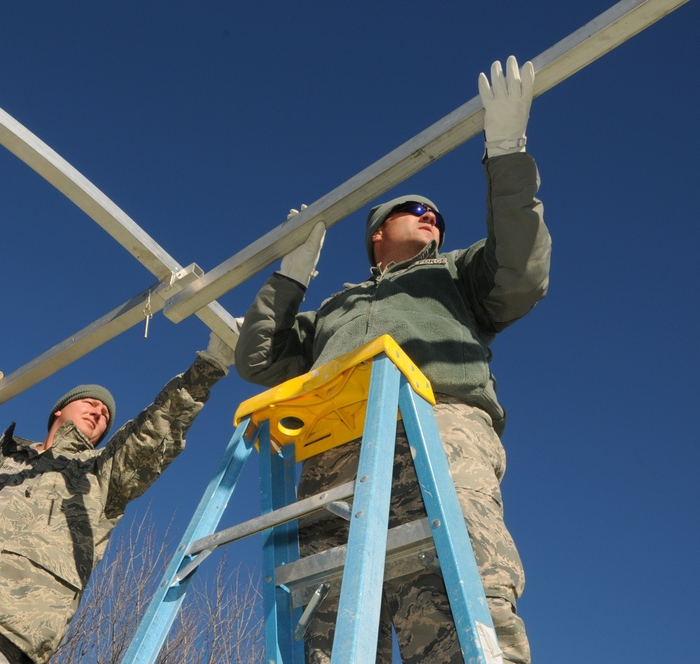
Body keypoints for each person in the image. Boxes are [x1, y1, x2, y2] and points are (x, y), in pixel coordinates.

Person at [234, 56, 550, 664]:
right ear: (377, 234)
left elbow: (522, 270)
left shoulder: (454, 273)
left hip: (434, 424)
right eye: (415, 210)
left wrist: (507, 153)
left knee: (458, 587)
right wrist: (289, 278)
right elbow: (259, 358)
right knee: (332, 612)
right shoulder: (334, 308)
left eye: (436, 214)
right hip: (335, 448)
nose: (432, 215)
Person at [0, 332, 233, 663]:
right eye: (90, 403)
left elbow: (154, 432)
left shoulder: (99, 475)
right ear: (59, 409)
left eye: (105, 414)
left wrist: (210, 365)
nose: (99, 412)